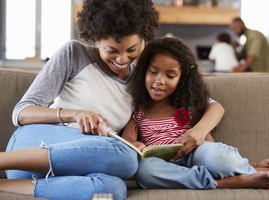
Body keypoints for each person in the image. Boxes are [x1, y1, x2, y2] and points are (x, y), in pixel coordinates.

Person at [0, 1, 225, 200]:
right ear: (95, 37)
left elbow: (212, 106)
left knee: (112, 191)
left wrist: (198, 132)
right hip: (28, 149)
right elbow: (21, 112)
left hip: (84, 162)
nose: (122, 59)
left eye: (131, 50)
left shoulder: (146, 75)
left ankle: (6, 186)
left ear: (143, 40)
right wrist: (73, 114)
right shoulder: (74, 54)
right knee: (126, 158)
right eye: (112, 50)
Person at [122, 37, 269, 190]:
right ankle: (225, 182)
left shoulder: (187, 105)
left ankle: (250, 169)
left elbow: (211, 146)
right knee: (145, 171)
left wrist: (251, 162)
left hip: (195, 156)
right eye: (153, 72)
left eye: (170, 75)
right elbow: (128, 139)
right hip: (163, 165)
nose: (160, 80)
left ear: (182, 79)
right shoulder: (139, 111)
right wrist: (135, 145)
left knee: (213, 155)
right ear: (143, 71)